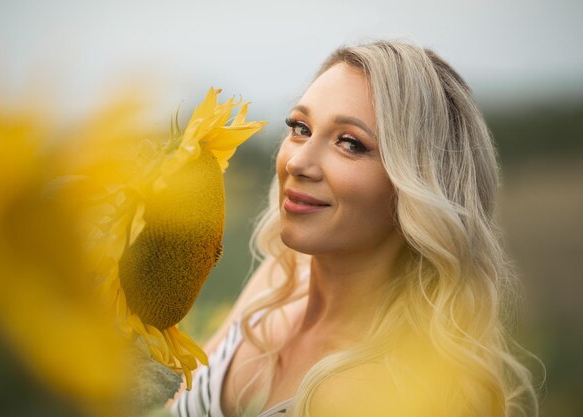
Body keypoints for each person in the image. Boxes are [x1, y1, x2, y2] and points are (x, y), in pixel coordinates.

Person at [170, 40, 540, 417]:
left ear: (418, 185)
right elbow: (169, 402)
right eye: (300, 127)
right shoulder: (280, 283)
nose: (298, 162)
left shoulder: (386, 393)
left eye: (350, 143)